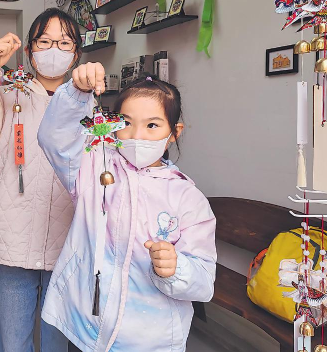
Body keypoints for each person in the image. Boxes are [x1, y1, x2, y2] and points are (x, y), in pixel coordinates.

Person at [37, 63, 217, 351]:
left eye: (152, 125)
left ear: (174, 132)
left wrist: (177, 269)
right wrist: (76, 93)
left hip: (149, 338)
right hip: (86, 326)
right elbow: (54, 138)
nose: (137, 135)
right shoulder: (94, 165)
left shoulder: (187, 198)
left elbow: (204, 281)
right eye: (126, 123)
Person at [0, 8, 82, 352]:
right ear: (30, 49)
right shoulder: (7, 94)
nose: (54, 50)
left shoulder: (86, 105)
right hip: (11, 238)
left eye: (64, 43)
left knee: (57, 342)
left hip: (67, 240)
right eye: (45, 41)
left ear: (76, 53)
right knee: (12, 340)